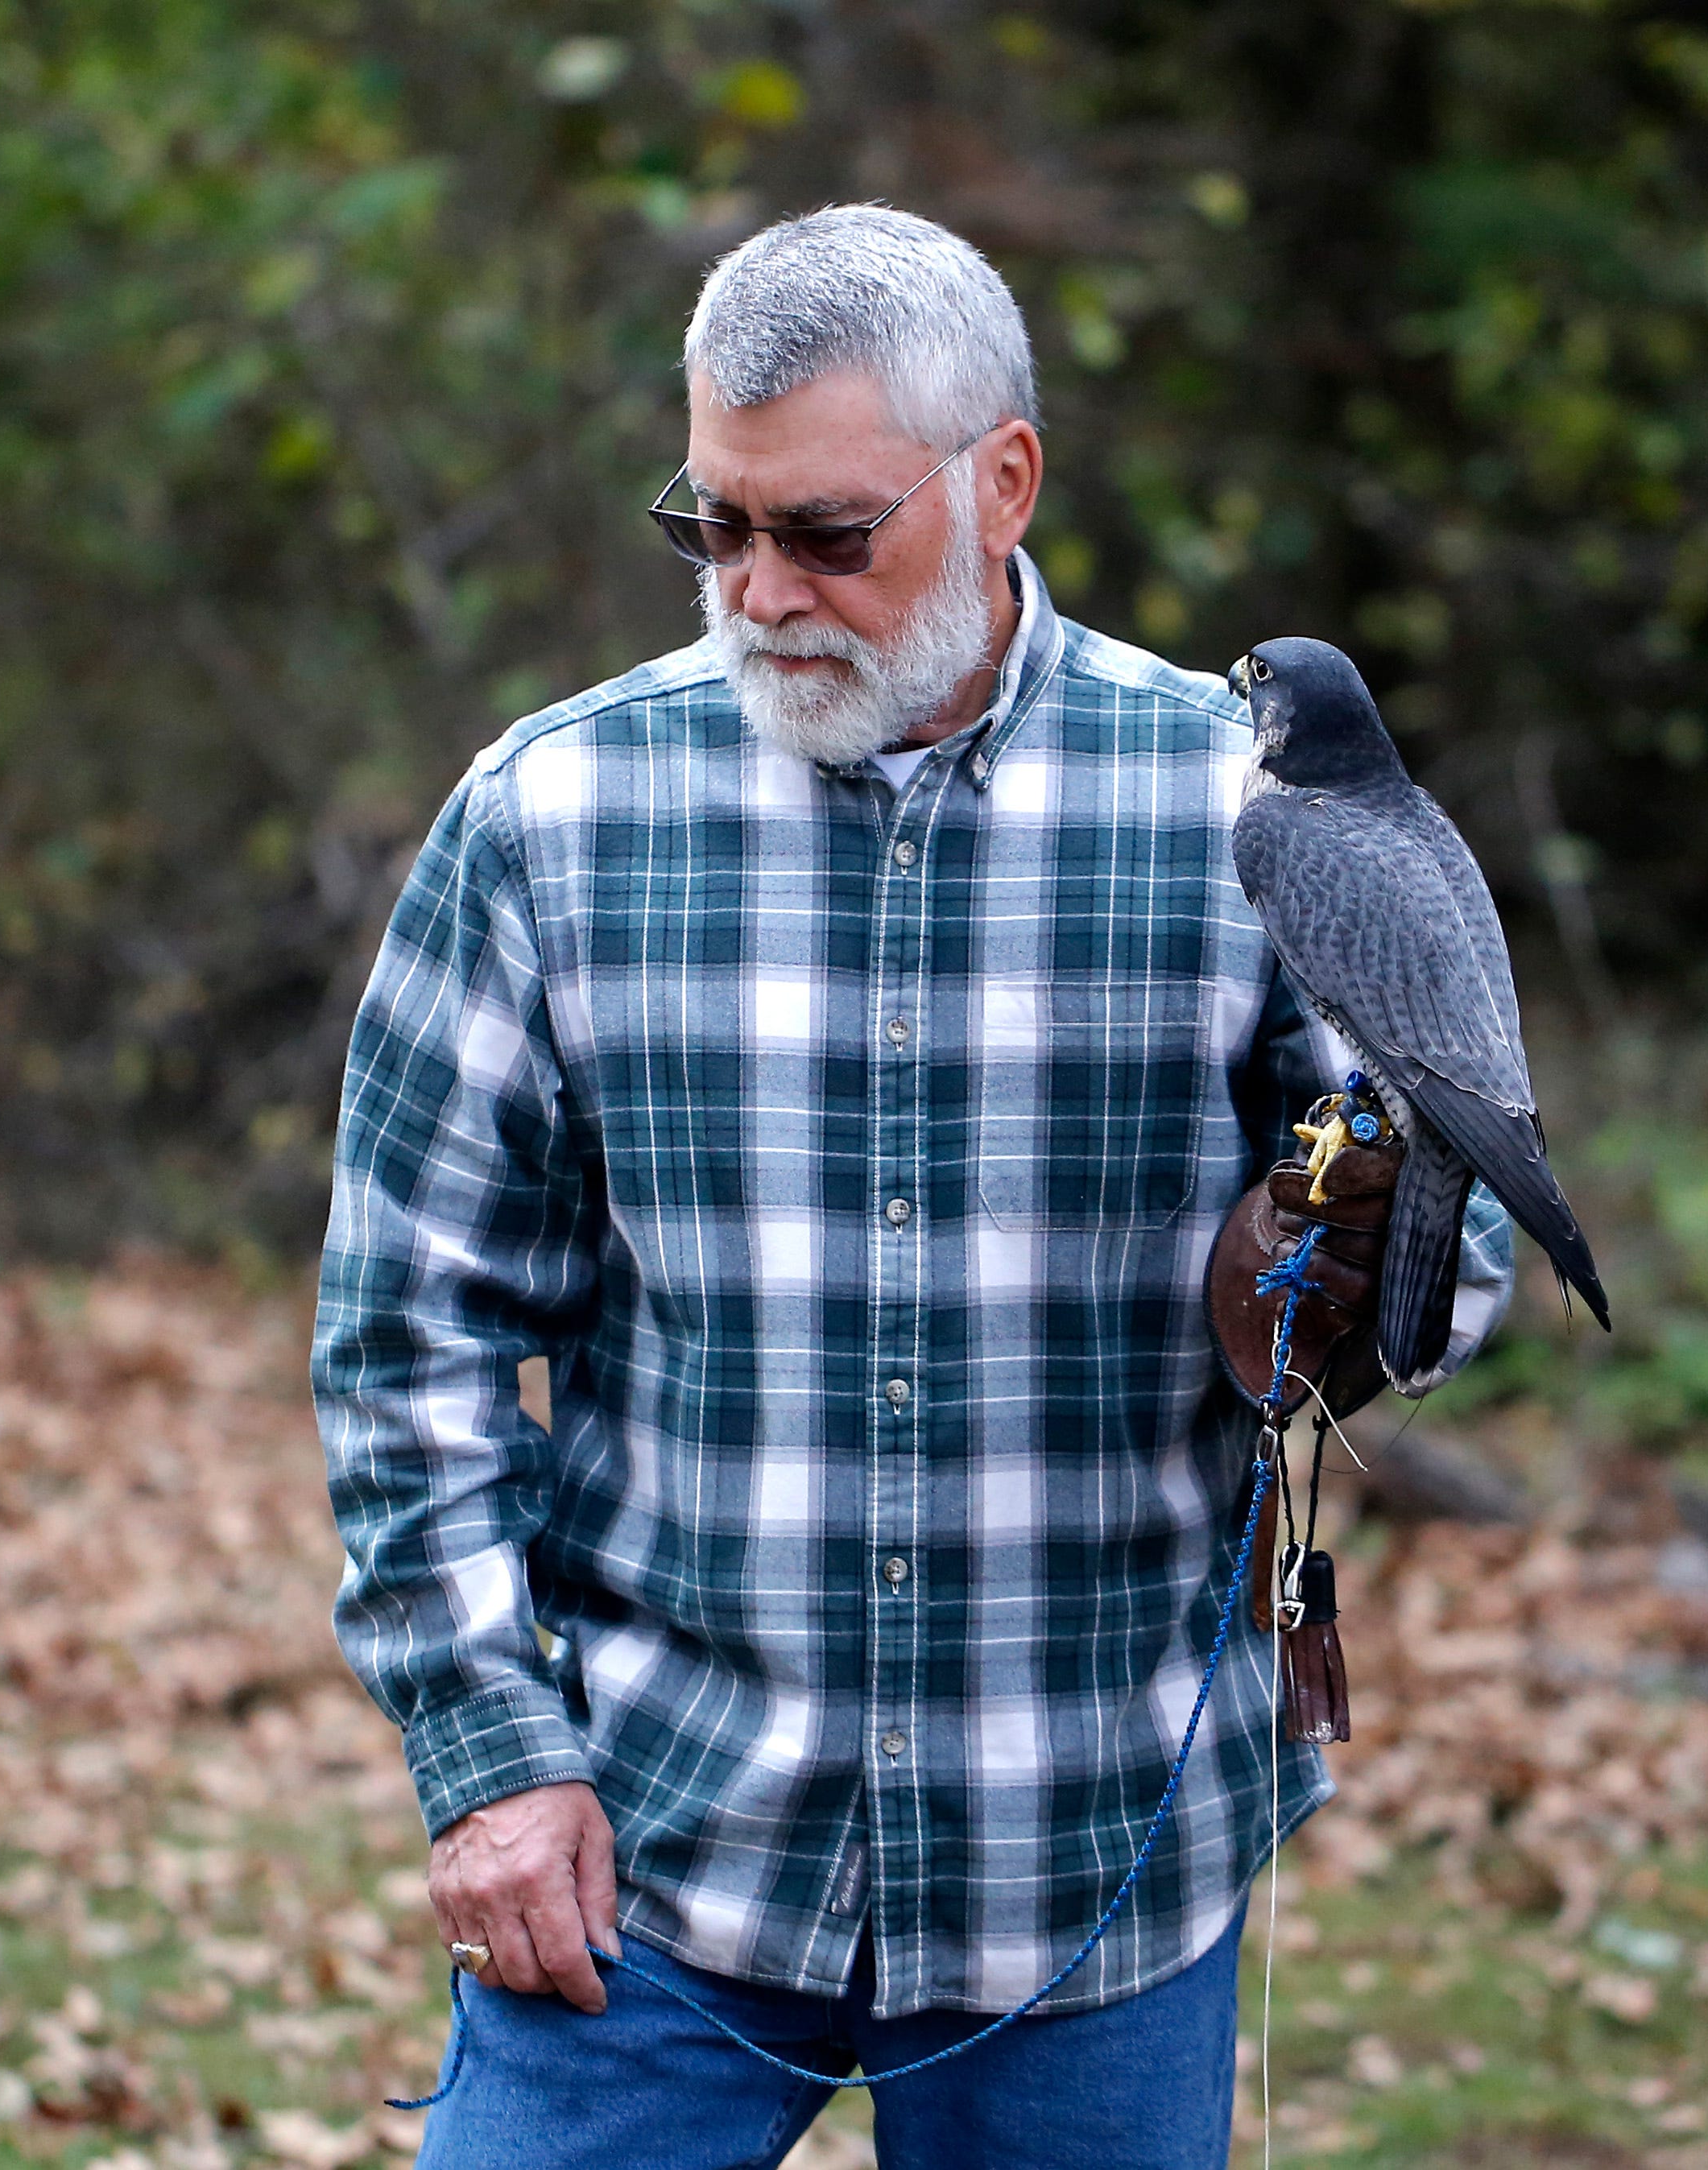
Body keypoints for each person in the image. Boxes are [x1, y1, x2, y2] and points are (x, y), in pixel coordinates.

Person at [311, 205, 1511, 2170]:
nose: (760, 588)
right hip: (662, 1848)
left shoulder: (1246, 813)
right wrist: (489, 1759)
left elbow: (1438, 1273)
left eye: (828, 533)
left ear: (1005, 480)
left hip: (1097, 1842)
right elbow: (410, 1327)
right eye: (714, 525)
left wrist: (1343, 1261)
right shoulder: (548, 818)